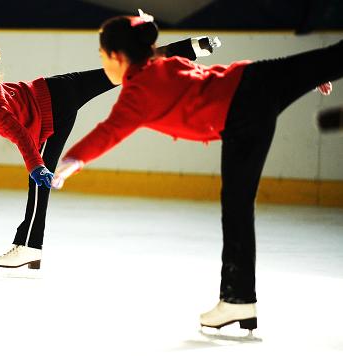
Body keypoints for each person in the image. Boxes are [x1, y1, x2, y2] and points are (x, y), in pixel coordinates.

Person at [52, 11, 343, 331]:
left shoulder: (136, 95)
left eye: (102, 55)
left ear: (117, 57)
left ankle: (238, 300)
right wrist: (305, 76)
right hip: (255, 80)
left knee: (237, 208)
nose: (102, 63)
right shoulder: (164, 64)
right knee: (332, 58)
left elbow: (109, 131)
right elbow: (208, 76)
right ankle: (238, 300)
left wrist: (73, 159)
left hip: (241, 114)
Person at [0, 32, 221, 270]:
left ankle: (29, 246)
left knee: (38, 182)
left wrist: (35, 165)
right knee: (123, 71)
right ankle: (192, 47)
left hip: (50, 110)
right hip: (58, 88)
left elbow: (21, 136)